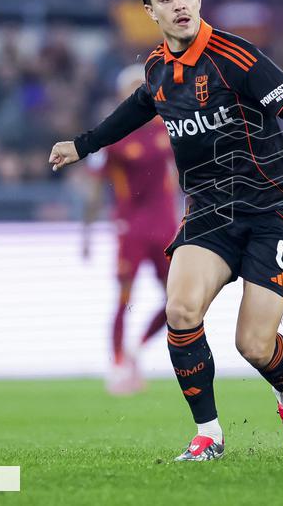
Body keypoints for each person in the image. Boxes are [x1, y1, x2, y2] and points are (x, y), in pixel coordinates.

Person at [49, 0, 283, 462]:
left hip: (270, 212)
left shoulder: (237, 57)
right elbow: (140, 106)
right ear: (150, 11)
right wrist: (82, 146)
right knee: (181, 311)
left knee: (253, 344)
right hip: (208, 214)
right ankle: (208, 433)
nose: (179, 4)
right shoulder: (157, 68)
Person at [82, 64, 179, 395]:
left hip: (165, 227)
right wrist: (87, 233)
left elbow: (181, 172)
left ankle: (137, 348)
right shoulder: (112, 134)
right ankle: (118, 363)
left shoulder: (167, 125)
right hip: (131, 229)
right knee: (124, 297)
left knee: (177, 299)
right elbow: (95, 188)